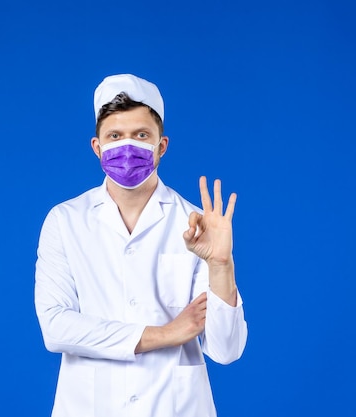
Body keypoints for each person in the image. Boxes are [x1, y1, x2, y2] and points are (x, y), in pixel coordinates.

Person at [34, 73, 248, 417]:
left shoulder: (197, 223)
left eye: (141, 135)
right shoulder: (65, 220)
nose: (127, 146)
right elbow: (56, 328)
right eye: (115, 136)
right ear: (97, 146)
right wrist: (165, 334)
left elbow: (226, 350)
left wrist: (221, 264)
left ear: (161, 145)